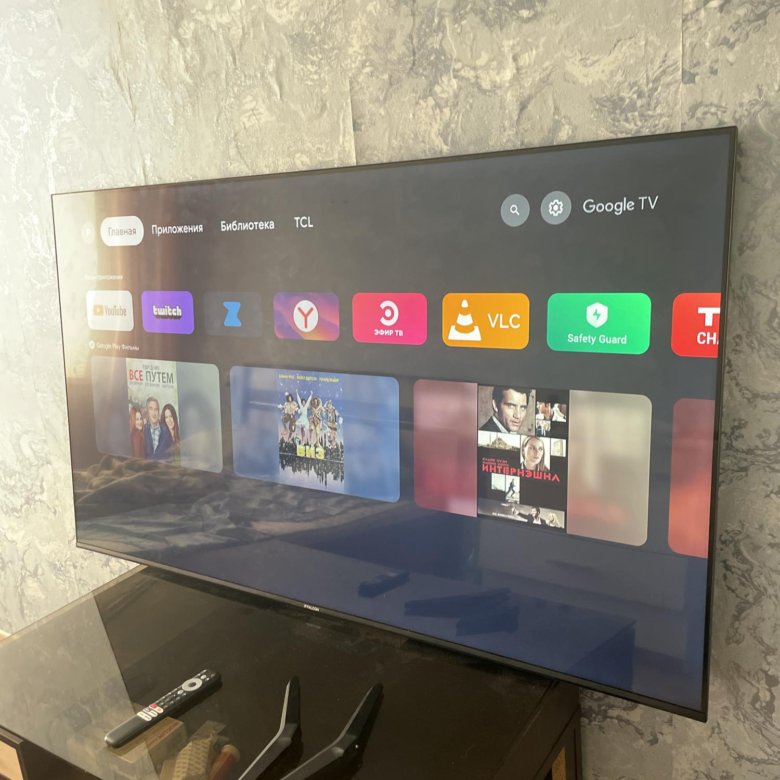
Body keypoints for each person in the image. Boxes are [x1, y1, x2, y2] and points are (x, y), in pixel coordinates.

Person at [143, 396, 173, 460]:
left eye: (156, 409)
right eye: (151, 409)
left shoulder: (166, 432)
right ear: (147, 411)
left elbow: (170, 456)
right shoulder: (143, 430)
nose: (154, 413)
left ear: (159, 412)